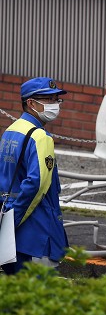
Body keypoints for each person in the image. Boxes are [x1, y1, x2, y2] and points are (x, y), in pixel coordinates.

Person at [0, 77, 69, 275]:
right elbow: (36, 185)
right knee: (41, 296)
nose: (55, 104)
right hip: (37, 233)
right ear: (31, 103)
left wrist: (8, 222)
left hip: (10, 232)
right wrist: (16, 219)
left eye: (57, 99)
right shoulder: (41, 137)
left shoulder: (11, 131)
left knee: (17, 295)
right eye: (48, 100)